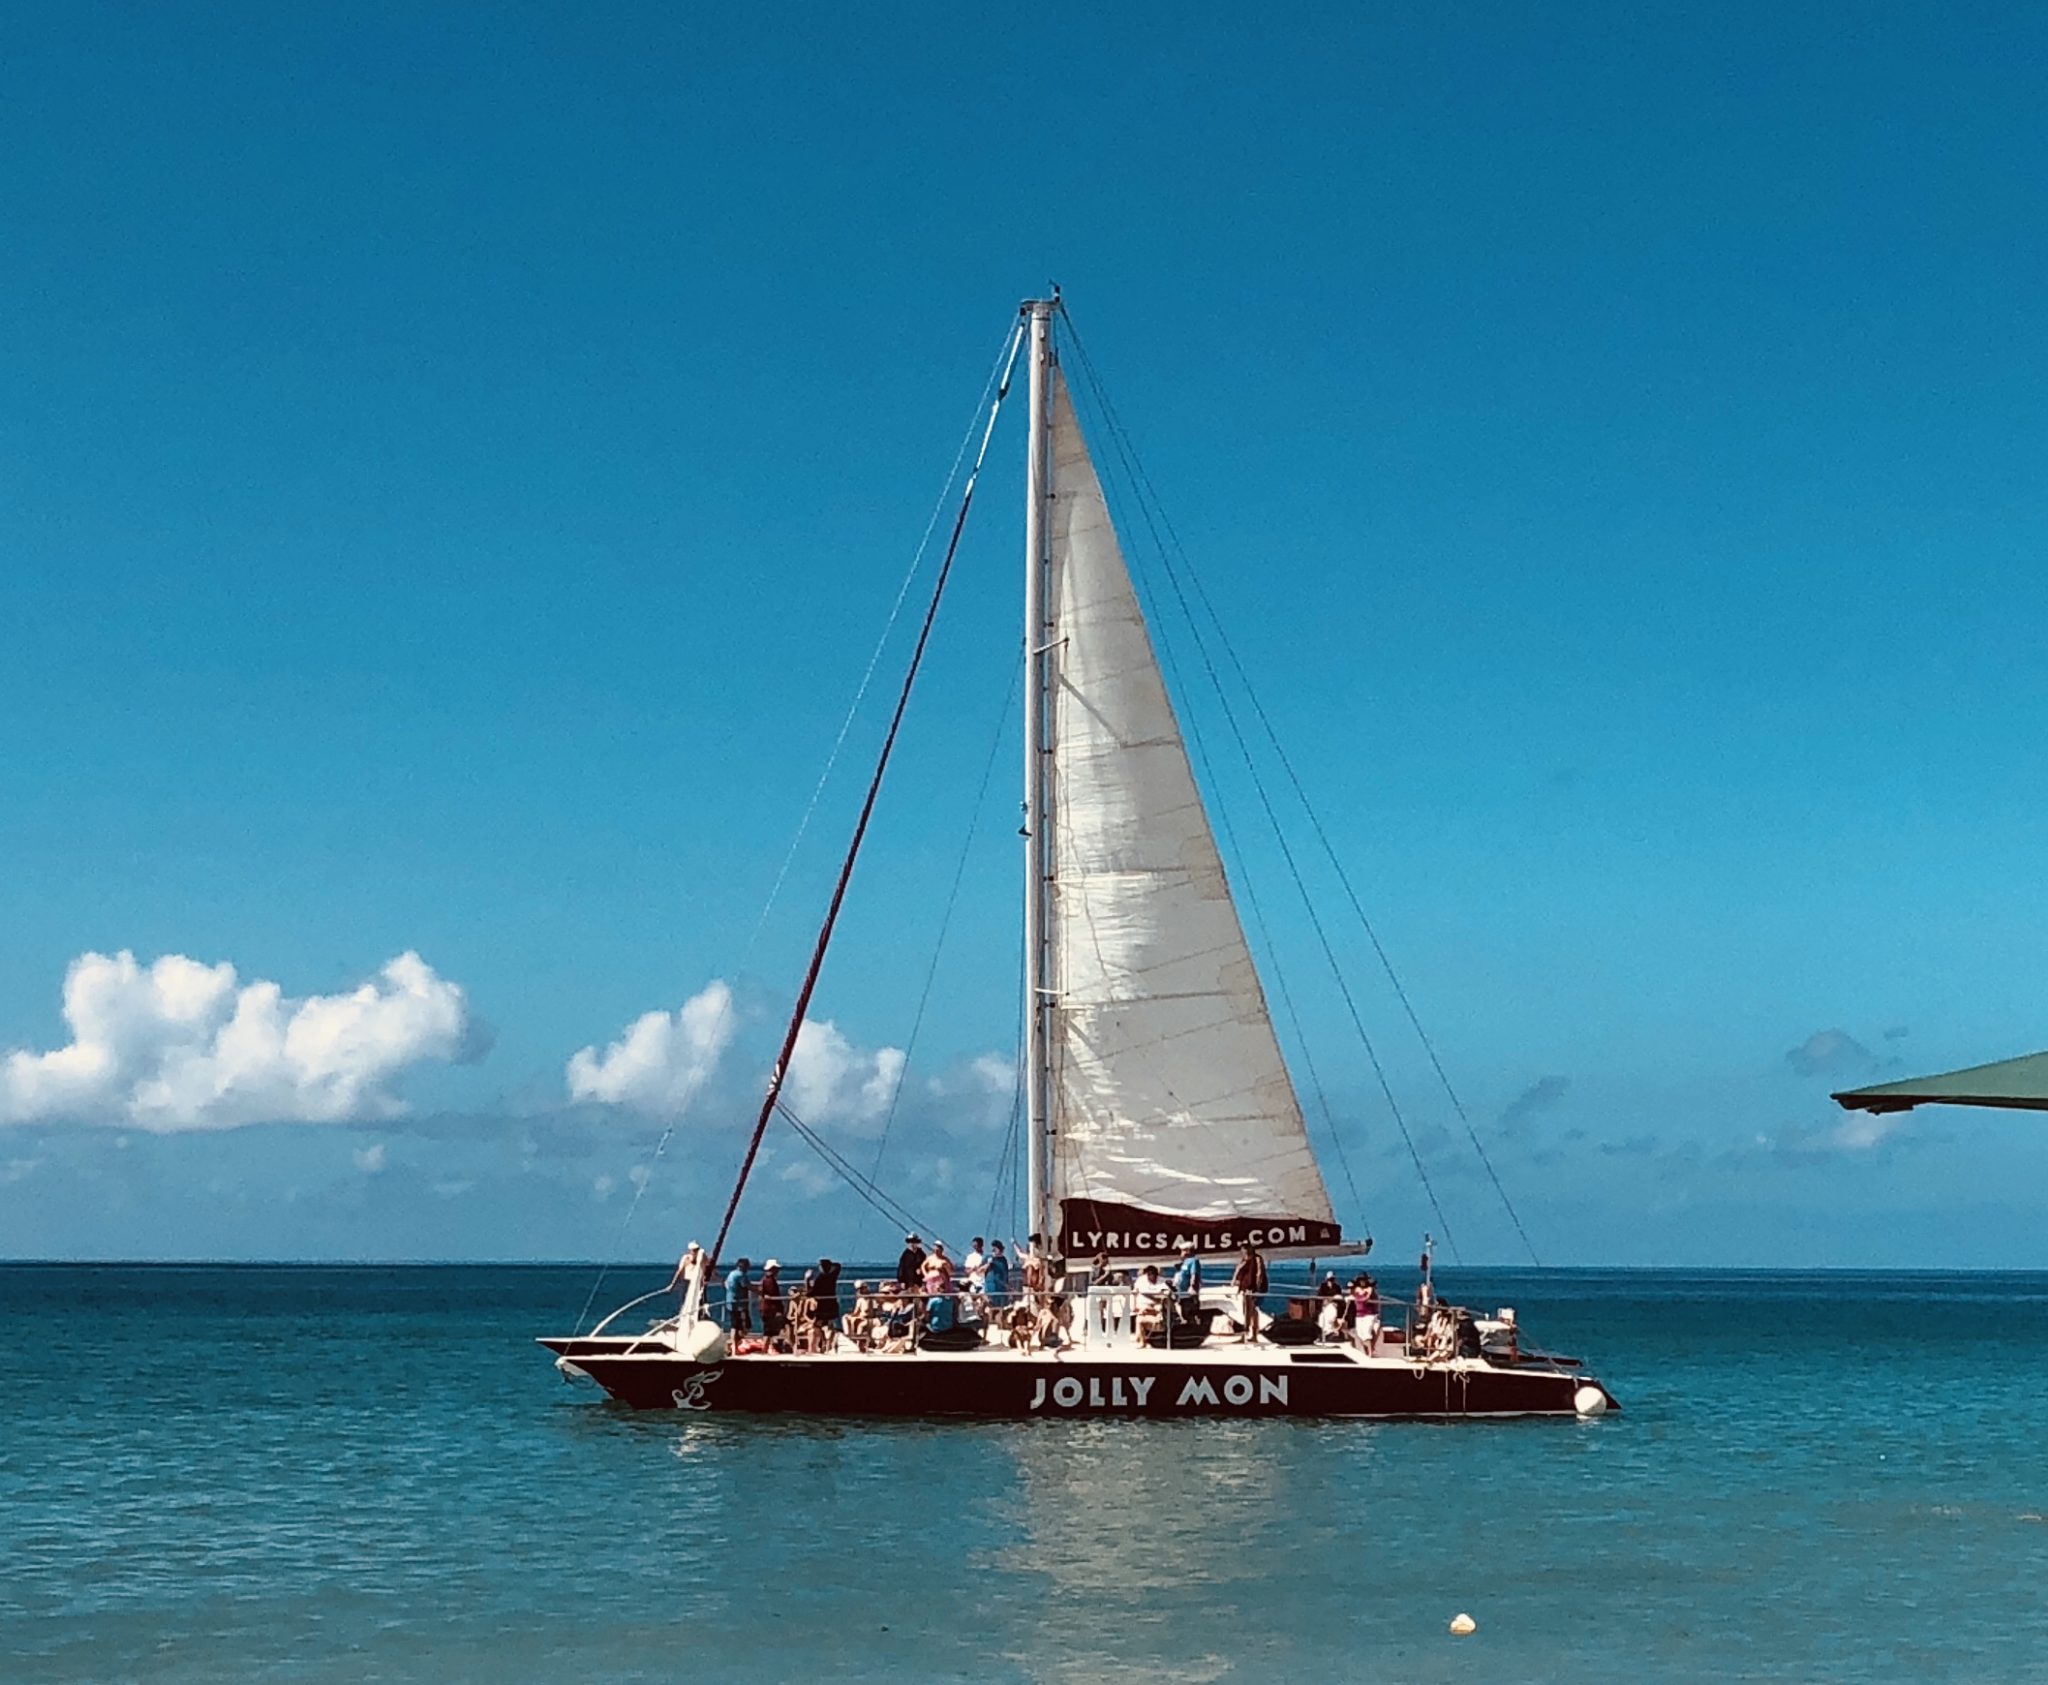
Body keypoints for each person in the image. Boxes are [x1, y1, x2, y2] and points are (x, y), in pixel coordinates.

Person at [1231, 1242, 1267, 1343]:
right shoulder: (1244, 1260)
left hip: (1253, 1289)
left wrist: (1257, 1288)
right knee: (1245, 1311)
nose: (1244, 1250)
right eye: (1243, 1248)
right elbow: (1238, 1272)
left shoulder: (1257, 1258)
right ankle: (1245, 1334)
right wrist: (1235, 1282)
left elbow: (1259, 1273)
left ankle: (1254, 1334)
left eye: (1246, 1248)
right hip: (1244, 1288)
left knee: (1252, 1311)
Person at [1133, 1264, 1170, 1346]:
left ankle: (1141, 1340)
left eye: (1152, 1273)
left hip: (1158, 1304)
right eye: (1148, 1274)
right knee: (1140, 1315)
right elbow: (1135, 1293)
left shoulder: (1163, 1281)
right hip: (1144, 1304)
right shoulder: (1141, 1280)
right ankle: (1141, 1340)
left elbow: (1165, 1296)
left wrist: (1155, 1302)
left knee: (1142, 1316)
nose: (1150, 1275)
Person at [724, 1257, 754, 1337]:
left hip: (730, 1302)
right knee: (743, 1324)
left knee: (734, 1325)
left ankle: (734, 1343)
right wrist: (759, 1291)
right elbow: (746, 1285)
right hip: (739, 1304)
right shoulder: (741, 1275)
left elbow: (726, 1284)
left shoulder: (732, 1274)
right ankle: (740, 1340)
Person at [759, 1259, 786, 1345]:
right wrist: (778, 1310)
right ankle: (766, 1348)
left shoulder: (765, 1280)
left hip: (768, 1309)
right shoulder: (769, 1281)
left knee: (769, 1330)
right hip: (771, 1310)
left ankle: (768, 1348)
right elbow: (772, 1296)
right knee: (769, 1331)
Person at [983, 1240, 1011, 1311]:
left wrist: (1007, 1286)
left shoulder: (1003, 1260)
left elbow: (1005, 1273)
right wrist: (988, 1264)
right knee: (991, 1309)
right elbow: (980, 1270)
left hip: (1001, 1289)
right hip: (991, 1288)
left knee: (1002, 1309)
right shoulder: (988, 1258)